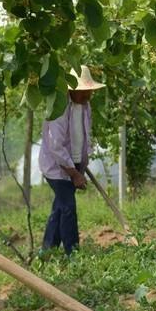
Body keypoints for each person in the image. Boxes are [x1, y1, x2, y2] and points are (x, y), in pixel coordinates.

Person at [38, 66, 104, 254]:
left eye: (89, 90)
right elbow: (56, 145)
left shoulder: (85, 106)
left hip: (74, 164)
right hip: (56, 167)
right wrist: (74, 174)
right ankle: (72, 253)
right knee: (68, 208)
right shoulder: (59, 107)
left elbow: (85, 136)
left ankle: (47, 250)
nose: (88, 95)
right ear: (71, 89)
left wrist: (81, 167)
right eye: (84, 91)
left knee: (60, 207)